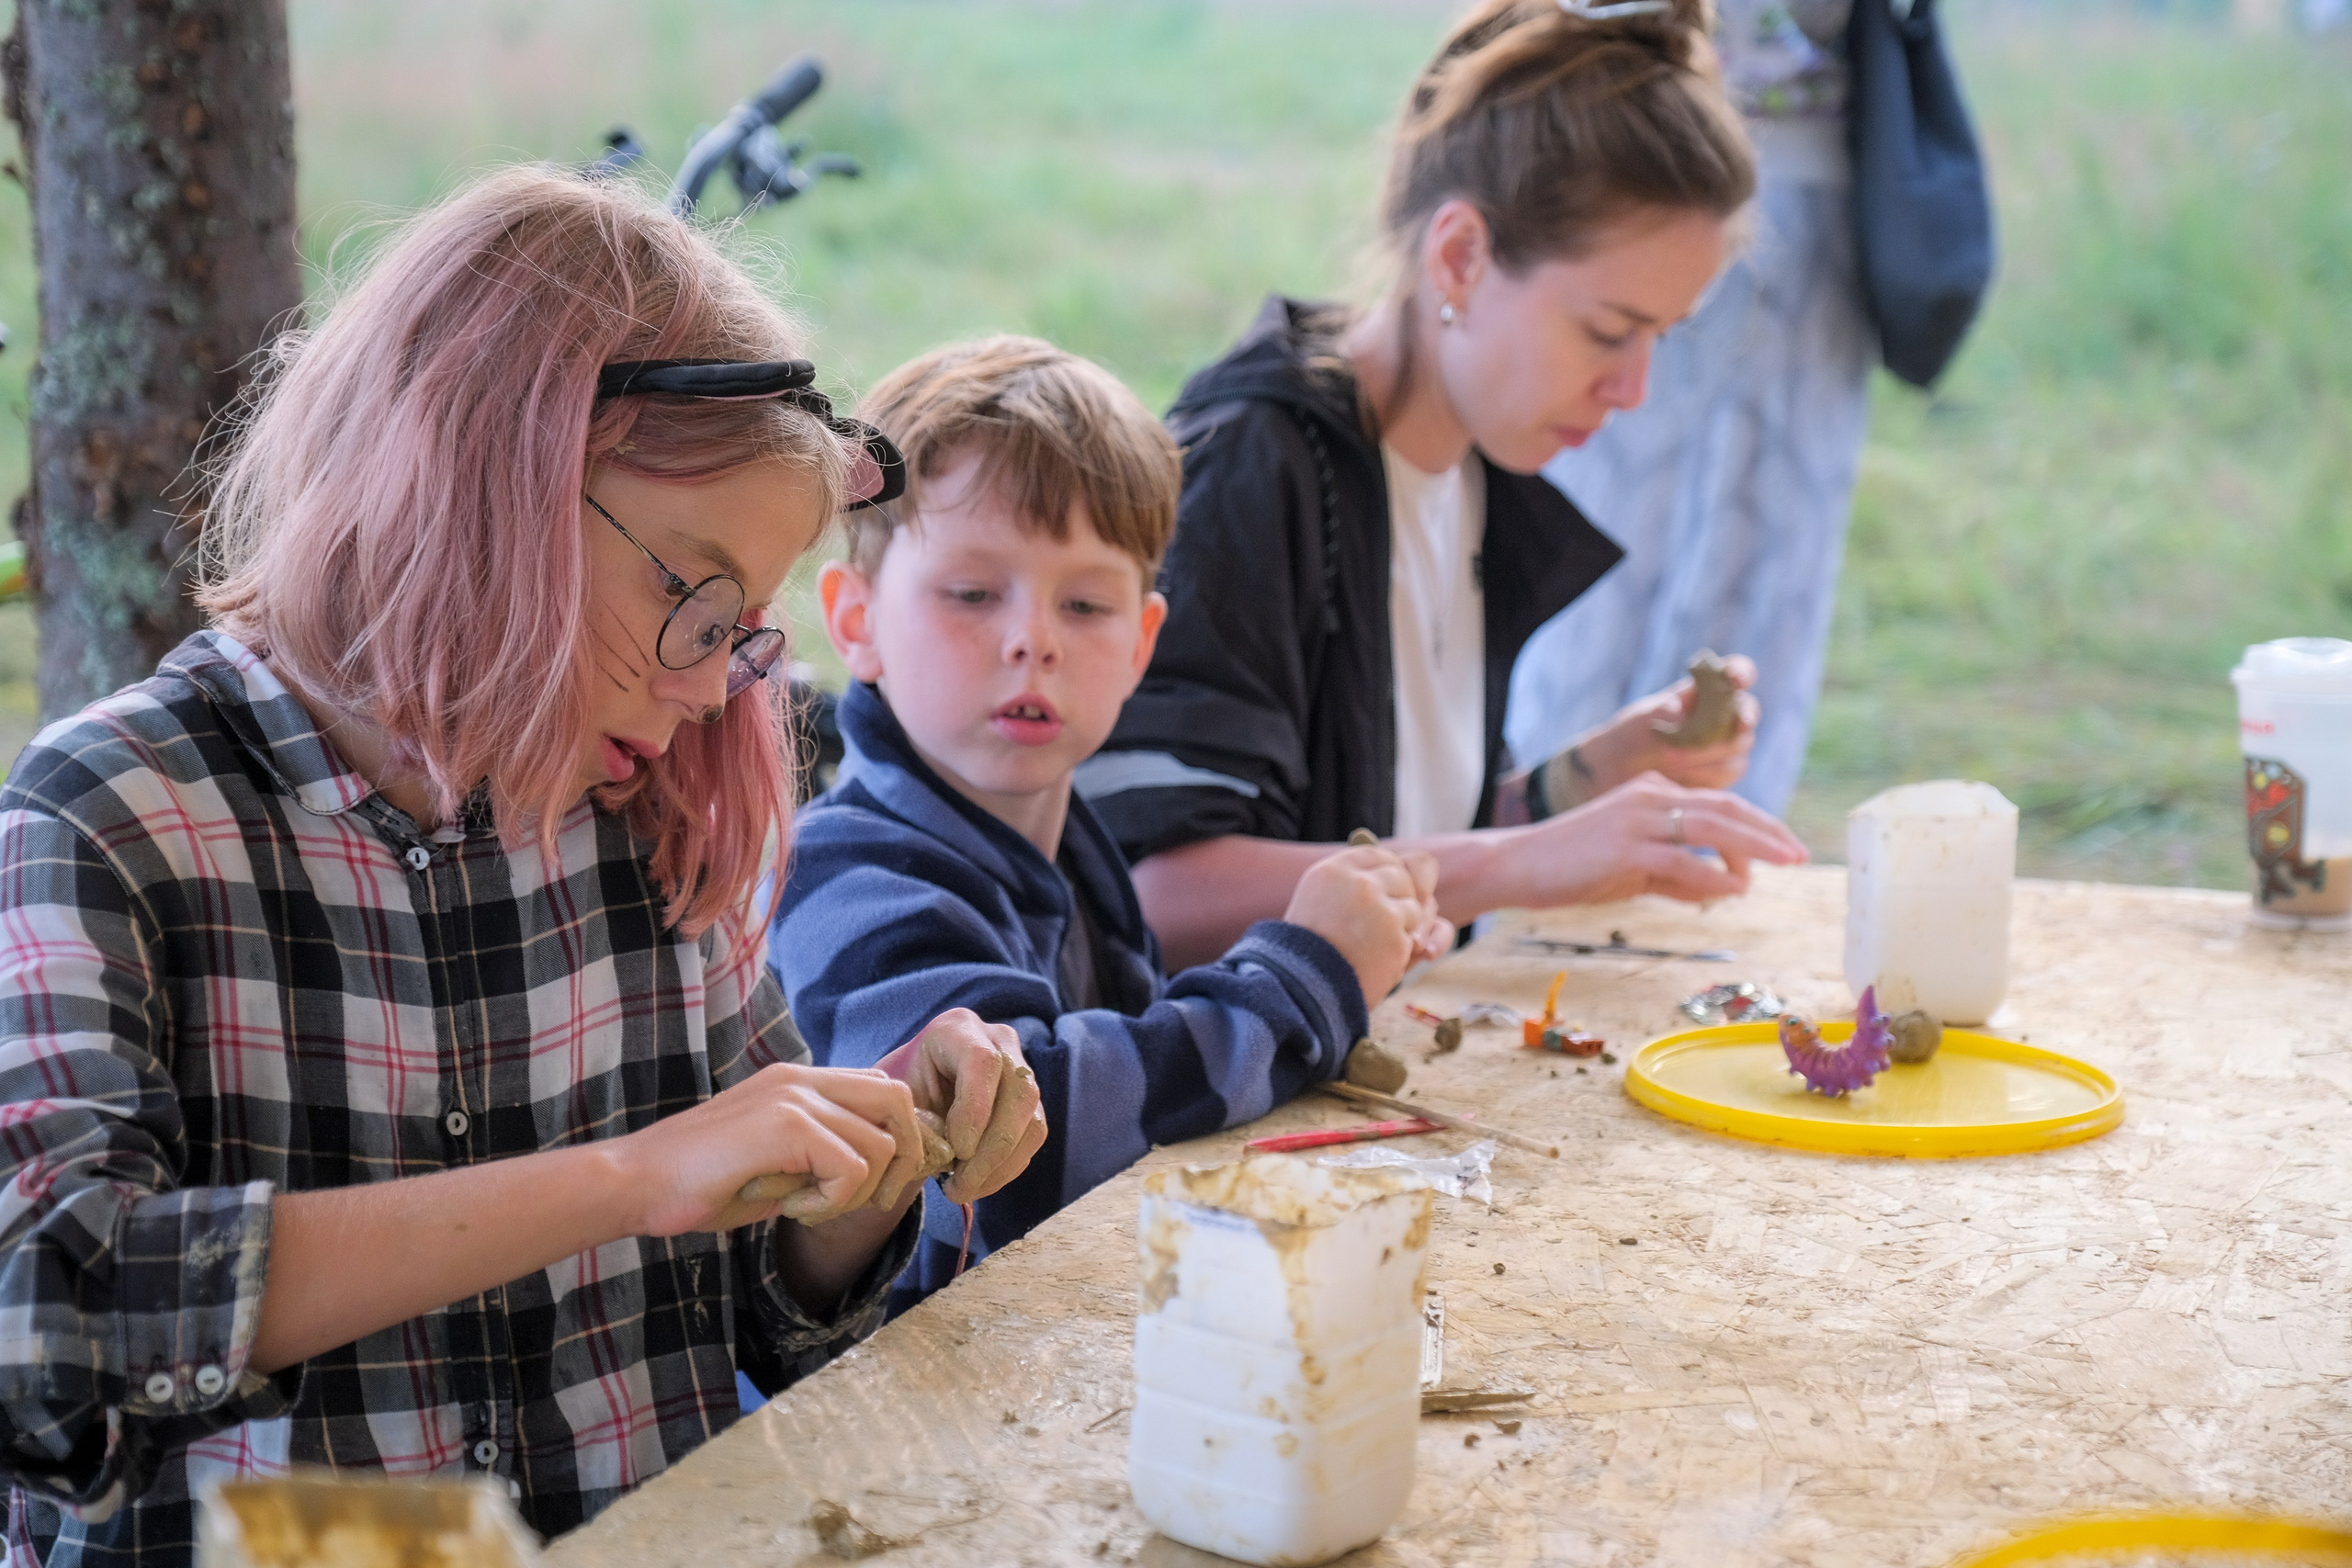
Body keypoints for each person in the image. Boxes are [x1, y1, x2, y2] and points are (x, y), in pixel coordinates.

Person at [0, 169, 1043, 1566]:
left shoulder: (657, 813)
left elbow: (765, 1313)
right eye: (693, 598)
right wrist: (627, 1177)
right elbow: (47, 1331)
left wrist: (852, 1177)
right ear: (485, 480)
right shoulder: (112, 815)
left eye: (744, 630)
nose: (714, 689)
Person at [1080, 0, 1812, 970]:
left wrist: (1574, 787)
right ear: (1461, 254)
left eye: (1658, 340)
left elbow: (1391, 835)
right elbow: (1160, 893)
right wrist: (1523, 859)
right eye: (1605, 330)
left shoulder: (1472, 466)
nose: (1631, 389)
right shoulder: (1256, 466)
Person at [768, 338, 1447, 1306]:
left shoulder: (1066, 845)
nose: (1031, 640)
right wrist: (1306, 981)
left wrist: (1350, 963)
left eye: (1085, 604)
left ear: (1141, 646)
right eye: (970, 593)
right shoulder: (843, 872)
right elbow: (1020, 1151)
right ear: (856, 621)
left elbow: (1147, 1081)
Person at [1509, 0, 1875, 818]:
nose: (1631, 380)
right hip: (1622, 166)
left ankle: (1701, 858)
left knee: (1756, 590)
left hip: (1804, 202)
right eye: (1613, 338)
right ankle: (1540, 855)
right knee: (1590, 574)